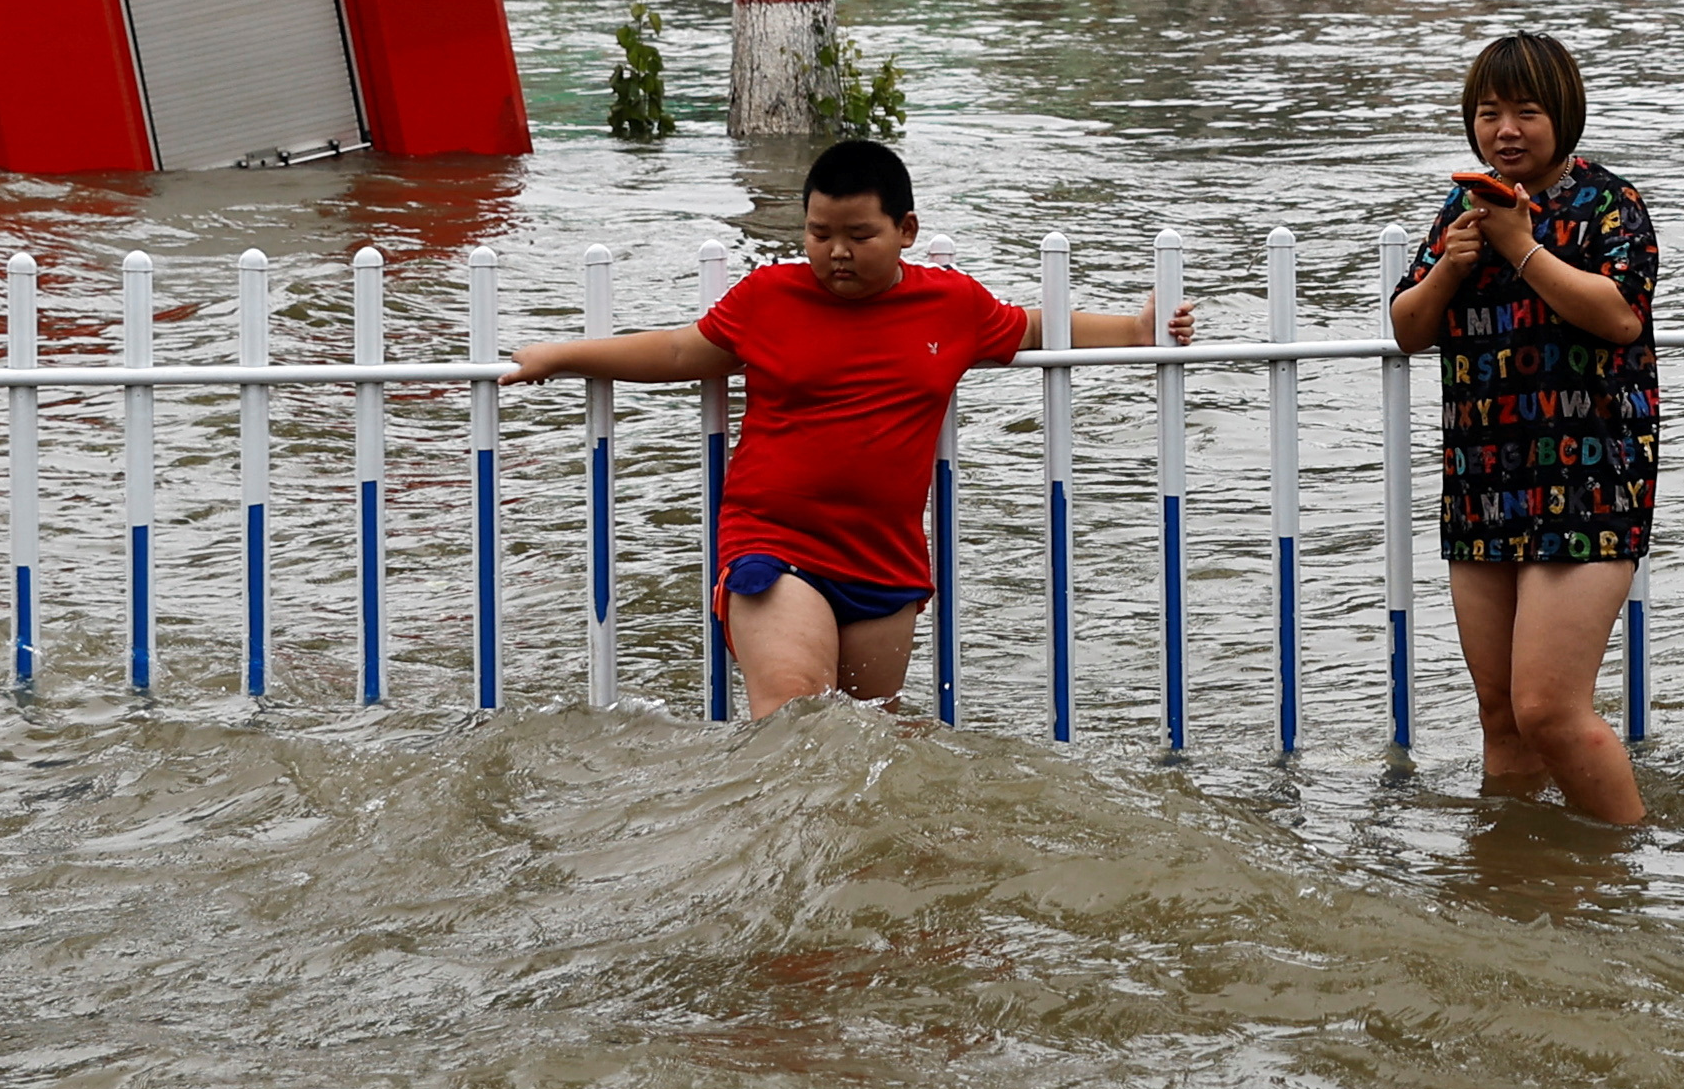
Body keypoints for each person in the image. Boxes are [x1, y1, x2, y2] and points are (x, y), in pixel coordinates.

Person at [503, 140, 1192, 719]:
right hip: (774, 543)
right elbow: (683, 351)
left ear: (905, 231)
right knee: (798, 722)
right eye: (818, 232)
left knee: (866, 744)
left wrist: (1134, 330)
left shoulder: (950, 304)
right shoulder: (768, 296)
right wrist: (561, 356)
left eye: (859, 235)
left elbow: (1033, 326)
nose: (835, 251)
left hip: (883, 559)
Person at [1390, 33, 1659, 826]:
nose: (1504, 130)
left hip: (1590, 476)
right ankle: (1520, 869)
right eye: (1488, 113)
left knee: (1547, 706)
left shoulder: (1610, 203)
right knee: (1501, 715)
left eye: (1525, 112)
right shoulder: (1462, 207)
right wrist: (1451, 264)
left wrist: (1521, 246)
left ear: (1563, 115)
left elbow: (1618, 316)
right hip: (1482, 479)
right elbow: (1408, 329)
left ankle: (1628, 859)